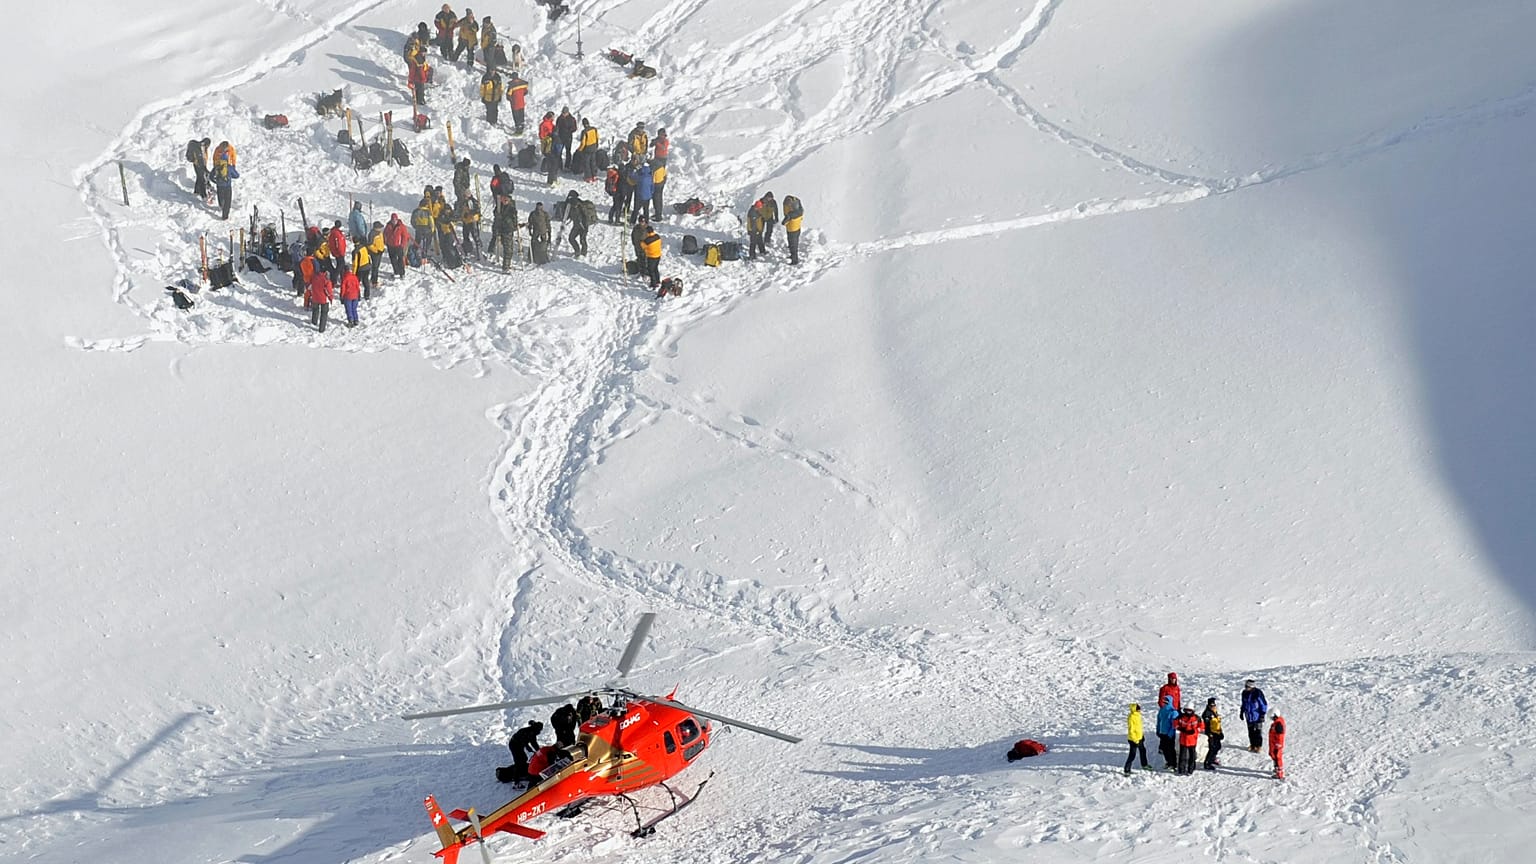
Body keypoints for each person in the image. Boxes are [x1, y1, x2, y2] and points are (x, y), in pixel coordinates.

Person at [1173, 706, 1203, 776]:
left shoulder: (1197, 718)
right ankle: (1181, 770)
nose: (1188, 712)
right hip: (1183, 740)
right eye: (1186, 710)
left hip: (1192, 740)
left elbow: (1201, 726)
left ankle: (1191, 769)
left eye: (1189, 711)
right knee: (1182, 756)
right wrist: (1180, 729)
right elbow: (1175, 724)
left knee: (1192, 756)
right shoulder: (1181, 717)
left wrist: (1195, 731)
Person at [1241, 678, 1269, 752]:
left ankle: (1258, 746)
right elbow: (1243, 703)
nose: (1246, 688)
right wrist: (1242, 711)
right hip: (1249, 716)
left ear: (1252, 687)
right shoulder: (1244, 693)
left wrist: (1262, 714)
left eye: (1247, 687)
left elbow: (1263, 704)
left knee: (1257, 732)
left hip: (1257, 716)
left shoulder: (1258, 693)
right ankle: (1252, 745)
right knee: (1250, 732)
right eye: (1245, 686)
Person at [493, 194, 519, 270]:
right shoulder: (499, 207)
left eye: (506, 200)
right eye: (503, 199)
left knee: (509, 250)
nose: (504, 201)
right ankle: (505, 267)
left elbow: (514, 219)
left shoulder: (511, 208)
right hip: (501, 230)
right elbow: (496, 215)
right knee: (508, 250)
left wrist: (514, 226)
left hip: (508, 230)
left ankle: (507, 265)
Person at [1124, 702, 1150, 775]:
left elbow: (1139, 727)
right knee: (1132, 755)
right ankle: (1127, 769)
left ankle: (1144, 764)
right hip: (1134, 740)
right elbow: (1131, 730)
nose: (1140, 710)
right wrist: (1135, 740)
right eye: (1138, 709)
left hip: (1139, 737)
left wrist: (1141, 736)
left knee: (1143, 751)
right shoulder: (1132, 717)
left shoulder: (1137, 715)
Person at [1155, 695, 1179, 771]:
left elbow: (1174, 725)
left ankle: (1173, 764)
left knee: (1171, 749)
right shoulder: (1161, 710)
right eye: (1164, 701)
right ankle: (1168, 762)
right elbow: (1159, 721)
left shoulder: (1173, 712)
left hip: (1170, 734)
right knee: (1164, 749)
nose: (1165, 702)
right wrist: (1158, 730)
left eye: (1167, 701)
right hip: (1162, 733)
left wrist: (1170, 734)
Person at [384, 213, 411, 277]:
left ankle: (402, 273)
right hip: (390, 245)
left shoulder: (401, 226)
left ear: (397, 219)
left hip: (398, 246)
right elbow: (385, 234)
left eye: (395, 220)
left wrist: (402, 244)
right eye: (392, 220)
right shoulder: (388, 226)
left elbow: (405, 236)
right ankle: (396, 271)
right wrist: (386, 242)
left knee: (400, 259)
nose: (394, 221)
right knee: (393, 259)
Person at [363, 221, 386, 296]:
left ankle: (373, 279)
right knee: (375, 267)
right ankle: (374, 282)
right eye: (380, 227)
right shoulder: (372, 234)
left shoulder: (380, 233)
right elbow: (369, 245)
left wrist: (382, 248)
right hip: (375, 253)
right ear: (376, 228)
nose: (381, 228)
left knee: (377, 266)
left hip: (380, 252)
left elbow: (381, 242)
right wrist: (376, 251)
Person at [564, 190, 589, 257]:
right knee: (571, 238)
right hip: (576, 225)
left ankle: (583, 253)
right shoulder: (570, 205)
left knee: (582, 240)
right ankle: (577, 251)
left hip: (583, 225)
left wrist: (585, 226)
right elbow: (567, 214)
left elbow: (586, 216)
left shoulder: (580, 205)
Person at [1202, 698, 1224, 771]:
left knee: (1218, 746)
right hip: (1211, 733)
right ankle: (1207, 763)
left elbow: (1217, 722)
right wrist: (1209, 734)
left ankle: (1213, 758)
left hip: (1217, 732)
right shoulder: (1207, 713)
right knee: (1212, 748)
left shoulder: (1214, 711)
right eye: (1211, 705)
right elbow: (1207, 725)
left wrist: (1221, 732)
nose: (1213, 706)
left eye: (1214, 705)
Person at [458, 195, 482, 260]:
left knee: (475, 236)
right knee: (465, 235)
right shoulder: (465, 201)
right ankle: (468, 250)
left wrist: (468, 213)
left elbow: (475, 211)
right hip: (466, 221)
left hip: (472, 221)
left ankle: (479, 253)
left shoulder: (472, 201)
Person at [782, 194, 804, 264]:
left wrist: (786, 218)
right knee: (794, 244)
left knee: (793, 246)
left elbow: (783, 223)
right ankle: (793, 256)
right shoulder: (800, 210)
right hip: (797, 229)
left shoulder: (790, 215)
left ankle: (795, 261)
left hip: (791, 230)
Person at [338, 263, 361, 327]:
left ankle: (351, 321)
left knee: (349, 309)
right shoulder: (354, 277)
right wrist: (359, 294)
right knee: (354, 308)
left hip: (348, 296)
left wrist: (341, 296)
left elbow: (343, 289)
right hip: (355, 295)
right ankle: (356, 320)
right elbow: (357, 286)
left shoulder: (345, 278)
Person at [1268, 712, 1286, 779]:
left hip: (1276, 744)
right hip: (1274, 743)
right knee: (1274, 756)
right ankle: (1276, 770)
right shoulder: (1278, 722)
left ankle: (1279, 774)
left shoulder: (1278, 724)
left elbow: (1280, 736)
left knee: (1277, 757)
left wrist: (1278, 744)